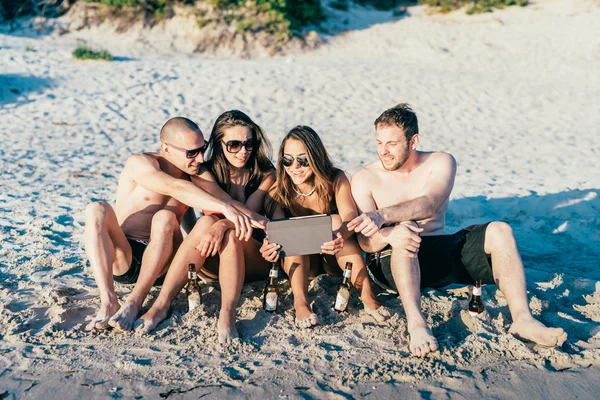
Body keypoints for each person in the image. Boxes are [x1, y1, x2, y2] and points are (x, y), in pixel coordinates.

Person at [348, 103, 568, 356]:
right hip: (390, 262)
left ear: (413, 140)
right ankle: (416, 323)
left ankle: (523, 320)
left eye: (392, 144)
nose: (383, 152)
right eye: (379, 143)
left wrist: (382, 215)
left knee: (500, 230)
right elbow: (365, 242)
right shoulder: (365, 177)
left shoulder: (440, 162)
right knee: (406, 231)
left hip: (437, 251)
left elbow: (429, 204)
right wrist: (389, 233)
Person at [84, 117, 258, 332]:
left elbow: (227, 202)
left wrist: (267, 224)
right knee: (97, 208)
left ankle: (134, 302)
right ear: (166, 149)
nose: (200, 158)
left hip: (165, 262)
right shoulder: (141, 163)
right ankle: (109, 300)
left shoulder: (197, 172)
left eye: (202, 149)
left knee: (165, 217)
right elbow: (172, 187)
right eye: (191, 153)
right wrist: (224, 207)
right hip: (126, 257)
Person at [134, 110, 275, 345]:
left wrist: (222, 225)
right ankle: (160, 305)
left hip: (254, 257)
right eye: (234, 144)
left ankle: (227, 313)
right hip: (212, 262)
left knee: (226, 229)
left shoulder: (266, 173)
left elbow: (246, 216)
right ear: (219, 145)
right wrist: (219, 223)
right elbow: (225, 205)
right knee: (208, 222)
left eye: (249, 143)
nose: (244, 151)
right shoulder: (202, 172)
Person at [260, 125, 390, 329]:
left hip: (333, 257)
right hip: (303, 265)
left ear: (315, 157)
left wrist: (339, 234)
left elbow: (350, 217)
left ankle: (367, 296)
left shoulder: (335, 179)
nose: (295, 166)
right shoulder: (281, 188)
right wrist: (269, 246)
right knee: (290, 232)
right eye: (288, 160)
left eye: (303, 160)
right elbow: (277, 229)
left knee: (337, 221)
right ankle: (300, 302)